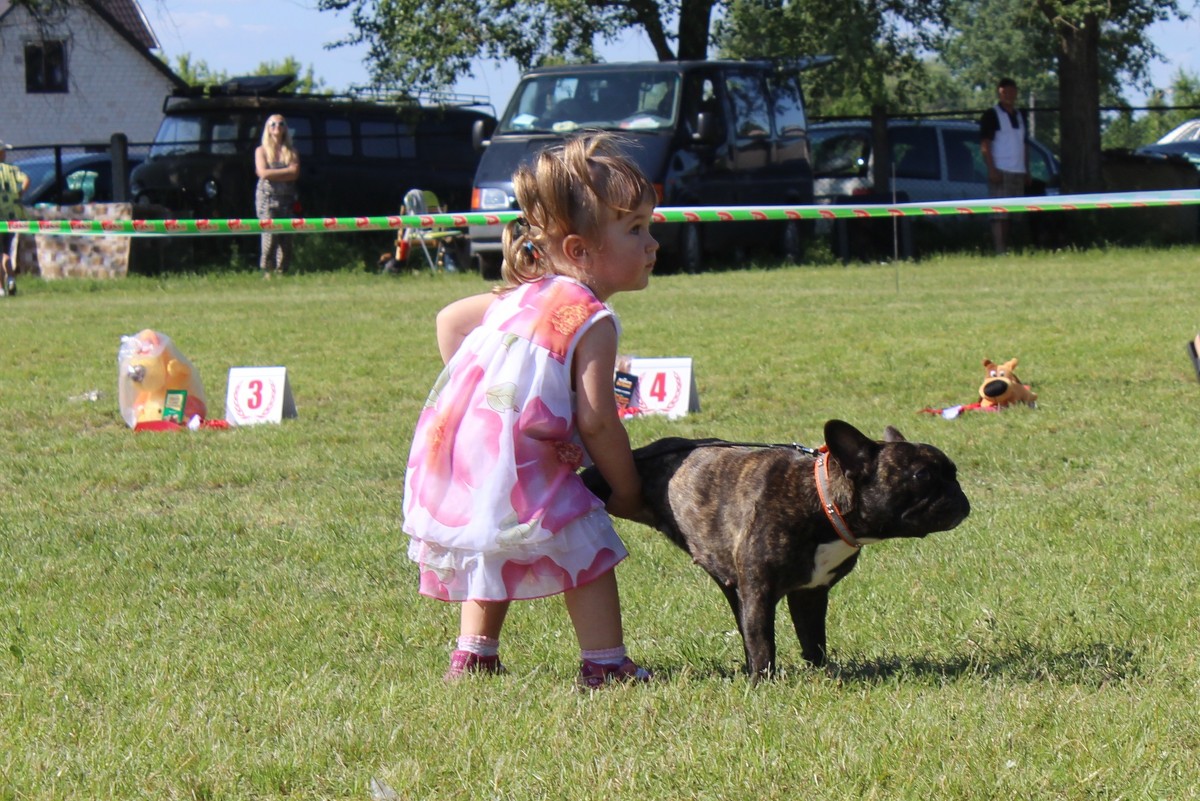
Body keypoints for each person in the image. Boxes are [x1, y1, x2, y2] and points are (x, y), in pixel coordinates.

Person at [402, 133, 658, 689]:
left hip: (470, 449)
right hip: (525, 456)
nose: (651, 243)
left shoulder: (521, 295)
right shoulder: (593, 318)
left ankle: (474, 655)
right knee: (587, 543)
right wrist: (628, 488)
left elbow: (449, 321)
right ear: (580, 251)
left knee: (489, 541)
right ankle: (606, 665)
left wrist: (486, 396)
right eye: (635, 229)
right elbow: (597, 419)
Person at [979, 77, 1031, 255]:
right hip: (1001, 170)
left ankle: (1010, 249)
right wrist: (992, 169)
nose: (1008, 95)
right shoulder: (991, 115)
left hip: (1018, 171)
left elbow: (1024, 144)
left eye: (1011, 91)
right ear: (999, 93)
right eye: (1004, 92)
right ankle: (999, 250)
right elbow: (985, 144)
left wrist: (1026, 170)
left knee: (1013, 214)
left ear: (1016, 93)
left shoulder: (1021, 116)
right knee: (999, 214)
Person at [254, 114, 299, 278]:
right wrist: (285, 172)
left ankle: (282, 273)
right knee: (269, 237)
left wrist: (274, 173)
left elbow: (295, 173)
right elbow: (263, 173)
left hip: (286, 199)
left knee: (286, 240)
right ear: (267, 128)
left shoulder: (291, 151)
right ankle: (267, 272)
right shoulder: (261, 151)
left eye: (281, 124)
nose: (277, 127)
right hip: (267, 199)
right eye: (273, 124)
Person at [0, 140, 30, 297]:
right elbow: (26, 180)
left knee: (0, 254)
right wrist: (19, 194)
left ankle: (0, 288)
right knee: (7, 252)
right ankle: (10, 279)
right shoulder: (12, 170)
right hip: (12, 218)